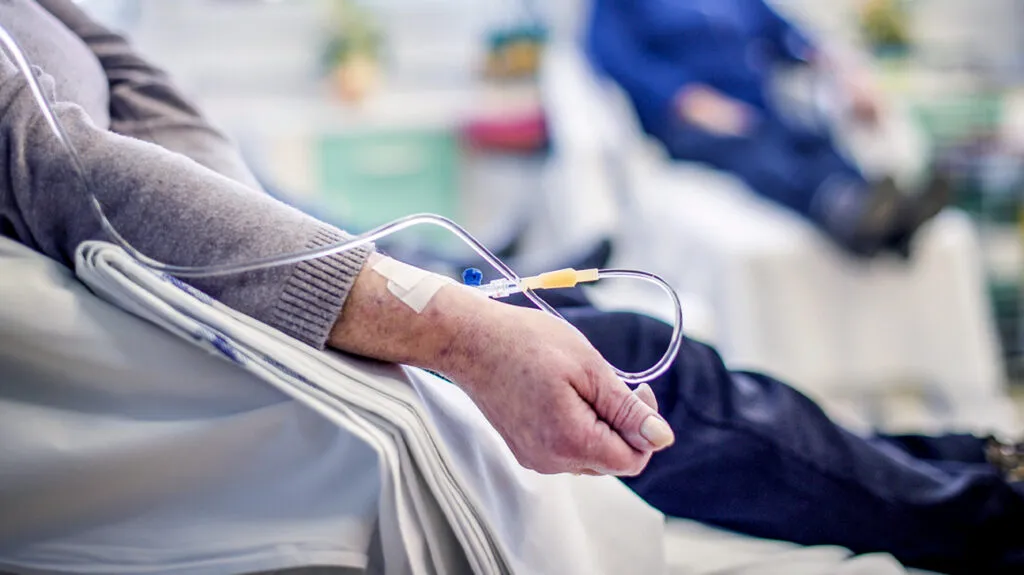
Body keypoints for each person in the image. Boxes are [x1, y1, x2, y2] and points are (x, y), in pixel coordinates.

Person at [0, 2, 1022, 574]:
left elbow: (145, 105)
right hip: (209, 313)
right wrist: (458, 328)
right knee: (636, 353)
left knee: (655, 318)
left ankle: (965, 463)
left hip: (259, 237)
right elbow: (84, 174)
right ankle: (979, 510)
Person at [586, 0, 950, 258]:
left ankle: (887, 213)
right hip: (687, 123)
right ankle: (840, 209)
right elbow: (614, 59)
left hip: (758, 110)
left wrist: (841, 68)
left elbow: (788, 35)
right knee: (758, 153)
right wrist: (684, 99)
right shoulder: (619, 4)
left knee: (812, 137)